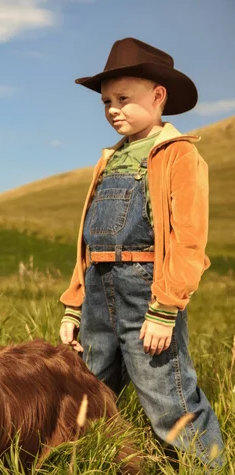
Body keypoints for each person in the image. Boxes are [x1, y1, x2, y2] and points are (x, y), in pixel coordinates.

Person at [57, 37, 226, 470]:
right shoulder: (108, 160)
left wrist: (166, 307)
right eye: (106, 101)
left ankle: (206, 466)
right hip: (98, 290)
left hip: (146, 293)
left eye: (124, 99)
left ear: (158, 96)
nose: (113, 108)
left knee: (166, 392)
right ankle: (96, 463)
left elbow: (189, 238)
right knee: (89, 390)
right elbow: (88, 241)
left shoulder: (176, 155)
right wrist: (74, 306)